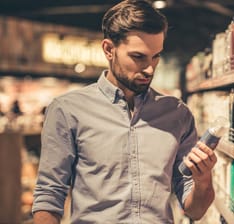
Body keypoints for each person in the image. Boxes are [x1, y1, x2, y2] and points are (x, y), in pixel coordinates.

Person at [32, 0, 217, 223]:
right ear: (109, 50)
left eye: (156, 56)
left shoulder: (177, 114)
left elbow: (194, 211)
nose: (150, 68)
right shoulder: (67, 110)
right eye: (138, 57)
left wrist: (203, 180)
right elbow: (49, 195)